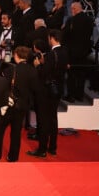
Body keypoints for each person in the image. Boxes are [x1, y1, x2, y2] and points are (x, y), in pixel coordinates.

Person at [28, 29, 67, 157]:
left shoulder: (51, 54)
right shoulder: (64, 52)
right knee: (53, 119)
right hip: (58, 89)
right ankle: (52, 148)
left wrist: (38, 65)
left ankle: (42, 149)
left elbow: (44, 73)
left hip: (48, 91)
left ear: (52, 38)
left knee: (44, 120)